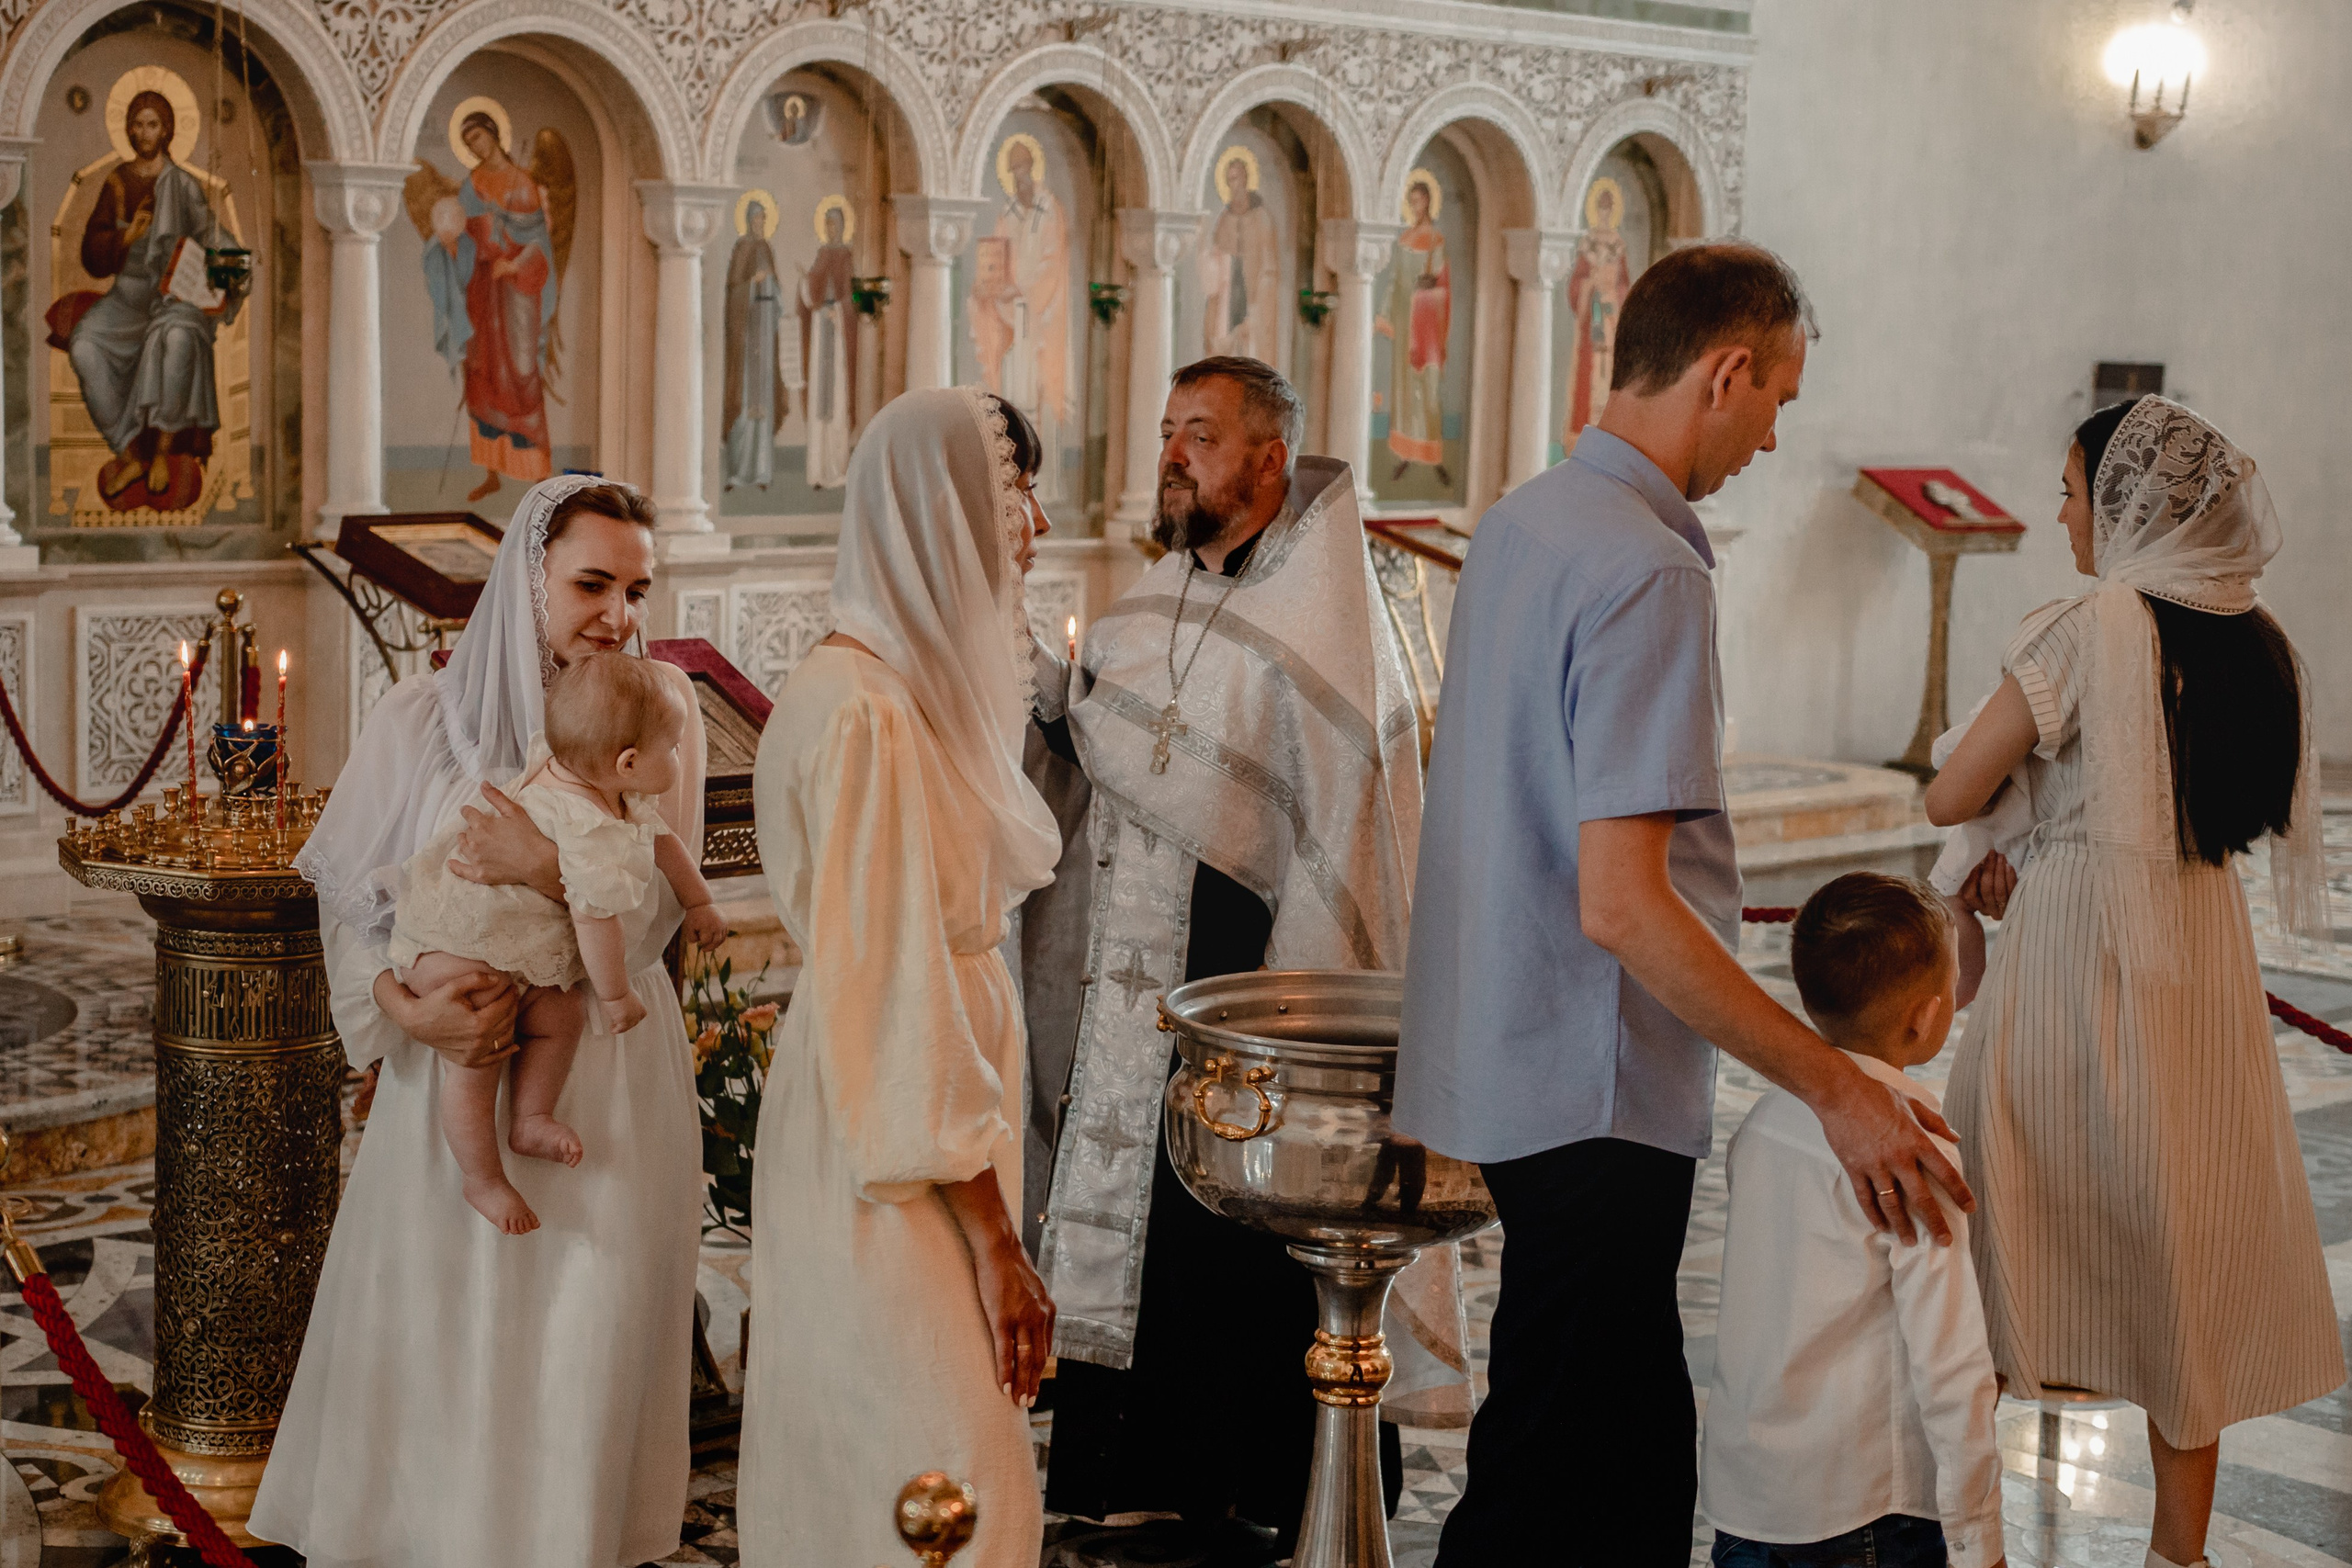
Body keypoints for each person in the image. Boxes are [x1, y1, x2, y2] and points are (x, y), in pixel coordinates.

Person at [1395, 243, 1973, 1564]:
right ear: (1725, 372)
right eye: (1777, 400)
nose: (1772, 439)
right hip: (1594, 1079)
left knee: (1562, 1435)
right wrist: (1836, 1084)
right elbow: (1624, 905)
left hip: (1510, 1049)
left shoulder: (1524, 520)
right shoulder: (1650, 568)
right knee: (1589, 1483)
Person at [1024, 355, 1459, 1562]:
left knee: (1240, 1239)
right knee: (1146, 1220)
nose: (1173, 454)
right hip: (1137, 989)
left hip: (1258, 988)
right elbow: (1119, 754)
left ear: (1271, 459)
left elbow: (1343, 832)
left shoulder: (1326, 630)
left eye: (1202, 435)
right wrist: (1061, 713)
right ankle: (1135, 1482)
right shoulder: (1148, 604)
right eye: (1168, 430)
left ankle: (1258, 1482)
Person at [252, 477, 706, 1568]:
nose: (619, 615)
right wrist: (407, 1008)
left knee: (580, 1325)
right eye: (592, 584)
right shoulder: (420, 718)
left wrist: (546, 867)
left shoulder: (661, 712)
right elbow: (355, 903)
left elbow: (654, 918)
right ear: (529, 580)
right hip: (452, 1070)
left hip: (601, 1067)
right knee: (448, 1311)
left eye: (637, 589)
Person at [1927, 395, 2343, 1568]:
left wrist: (2013, 831)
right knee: (2180, 1239)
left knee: (2004, 1221)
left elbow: (1951, 792)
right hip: (2202, 962)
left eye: (2073, 491)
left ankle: (1965, 1536)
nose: (2062, 514)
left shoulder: (2088, 622)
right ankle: (2177, 1552)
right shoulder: (2259, 640)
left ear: (2126, 507)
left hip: (2078, 950)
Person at [736, 388, 1060, 1568]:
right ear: (940, 512)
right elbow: (896, 996)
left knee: (870, 1439)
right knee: (944, 1456)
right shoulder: (866, 715)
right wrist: (997, 1244)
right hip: (896, 1140)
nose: (1034, 522)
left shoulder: (868, 687)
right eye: (1013, 491)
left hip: (889, 1111)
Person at [1702, 873, 2005, 1568]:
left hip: (1748, 1498)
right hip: (1867, 1506)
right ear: (1924, 1017)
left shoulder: (1763, 1122)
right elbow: (1952, 1359)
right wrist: (1978, 1537)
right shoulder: (1910, 1149)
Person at [389, 651, 727, 1233]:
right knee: (481, 1050)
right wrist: (615, 997)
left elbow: (663, 842)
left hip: (505, 948)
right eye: (673, 748)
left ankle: (530, 1119)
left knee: (561, 1013)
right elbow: (595, 918)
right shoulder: (585, 827)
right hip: (456, 949)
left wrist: (699, 901)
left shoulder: (590, 778)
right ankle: (481, 1177)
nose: (680, 754)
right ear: (628, 762)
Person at [54, 88, 230, 512]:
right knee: (84, 346)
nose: (144, 132)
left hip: (171, 298)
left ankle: (162, 452)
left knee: (175, 339)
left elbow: (213, 236)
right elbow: (91, 252)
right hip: (126, 298)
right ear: (128, 129)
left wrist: (234, 274)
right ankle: (130, 454)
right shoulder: (117, 182)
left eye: (152, 124)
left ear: (166, 129)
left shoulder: (181, 185)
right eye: (137, 124)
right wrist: (125, 236)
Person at [720, 197, 786, 491]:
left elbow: (778, 294)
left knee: (764, 405)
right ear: (748, 221)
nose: (760, 224)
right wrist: (752, 283)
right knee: (745, 403)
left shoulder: (767, 249)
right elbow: (733, 292)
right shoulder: (741, 249)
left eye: (763, 220)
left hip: (765, 336)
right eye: (756, 219)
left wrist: (772, 289)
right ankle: (738, 472)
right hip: (746, 341)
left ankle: (761, 471)